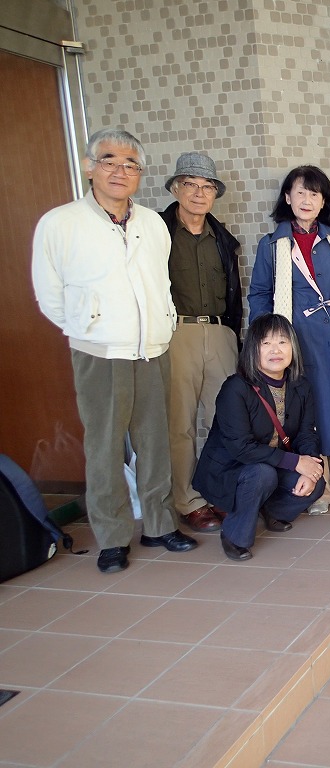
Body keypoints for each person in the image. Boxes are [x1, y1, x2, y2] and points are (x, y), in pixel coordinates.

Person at [31, 128, 197, 573]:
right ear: (90, 167)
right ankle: (112, 537)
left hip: (153, 348)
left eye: (130, 165)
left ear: (140, 174)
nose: (120, 171)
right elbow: (49, 294)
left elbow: (161, 283)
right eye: (109, 161)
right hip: (100, 352)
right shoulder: (61, 223)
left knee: (156, 442)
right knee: (104, 447)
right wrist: (89, 327)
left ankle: (160, 524)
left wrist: (163, 323)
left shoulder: (152, 223)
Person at [249, 166, 330, 514]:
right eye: (300, 192)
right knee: (307, 414)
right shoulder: (272, 245)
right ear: (287, 198)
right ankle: (319, 488)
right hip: (296, 342)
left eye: (314, 193)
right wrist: (268, 340)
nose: (307, 199)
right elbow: (259, 295)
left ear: (323, 201)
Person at [192, 314, 326, 560]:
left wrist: (310, 465)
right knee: (262, 474)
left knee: (316, 481)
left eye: (283, 342)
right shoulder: (235, 388)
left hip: (271, 465)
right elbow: (241, 448)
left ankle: (271, 510)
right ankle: (234, 535)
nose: (276, 350)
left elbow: (306, 432)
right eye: (266, 343)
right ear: (253, 349)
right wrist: (296, 462)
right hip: (232, 470)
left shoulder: (300, 385)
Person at [160, 152, 243, 534]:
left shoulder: (222, 238)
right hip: (177, 333)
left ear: (215, 194)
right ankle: (188, 501)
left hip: (221, 332)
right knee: (180, 423)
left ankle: (220, 494)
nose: (198, 193)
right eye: (190, 185)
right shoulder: (158, 232)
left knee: (227, 419)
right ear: (176, 189)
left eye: (206, 187)